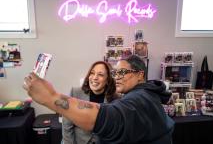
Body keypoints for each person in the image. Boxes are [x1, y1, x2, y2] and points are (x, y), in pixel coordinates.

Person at [23, 55, 174, 144]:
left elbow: (106, 117)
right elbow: (67, 129)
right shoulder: (147, 94)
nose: (118, 76)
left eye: (122, 72)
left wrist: (51, 97)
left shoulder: (138, 98)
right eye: (116, 72)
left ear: (140, 75)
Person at [62, 61, 118, 144]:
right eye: (92, 73)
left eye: (100, 74)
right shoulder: (75, 93)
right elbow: (67, 125)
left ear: (107, 80)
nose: (95, 77)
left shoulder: (116, 99)